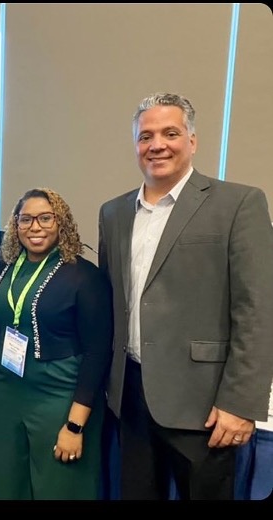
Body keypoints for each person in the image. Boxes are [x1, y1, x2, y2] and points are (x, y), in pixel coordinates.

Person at [98, 92, 273, 500]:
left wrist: (241, 403)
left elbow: (258, 310)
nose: (156, 144)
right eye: (145, 136)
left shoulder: (238, 203)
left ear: (192, 141)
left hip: (206, 406)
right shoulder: (114, 213)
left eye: (170, 133)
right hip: (132, 398)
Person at [0, 188, 113, 500]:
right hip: (6, 391)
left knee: (60, 486)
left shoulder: (83, 275)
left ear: (61, 222)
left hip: (58, 398)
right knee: (8, 485)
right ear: (16, 225)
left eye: (45, 218)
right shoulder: (4, 269)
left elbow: (97, 354)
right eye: (25, 219)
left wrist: (75, 426)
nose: (35, 227)